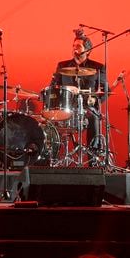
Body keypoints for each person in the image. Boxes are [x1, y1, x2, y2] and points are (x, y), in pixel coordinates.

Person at [50, 29, 108, 165]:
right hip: (66, 107)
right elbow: (53, 86)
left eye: (78, 47)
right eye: (73, 46)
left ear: (87, 50)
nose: (74, 49)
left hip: (87, 107)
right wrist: (66, 89)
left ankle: (93, 160)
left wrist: (95, 98)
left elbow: (105, 91)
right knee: (50, 119)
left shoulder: (98, 67)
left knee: (94, 117)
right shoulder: (62, 66)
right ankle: (50, 159)